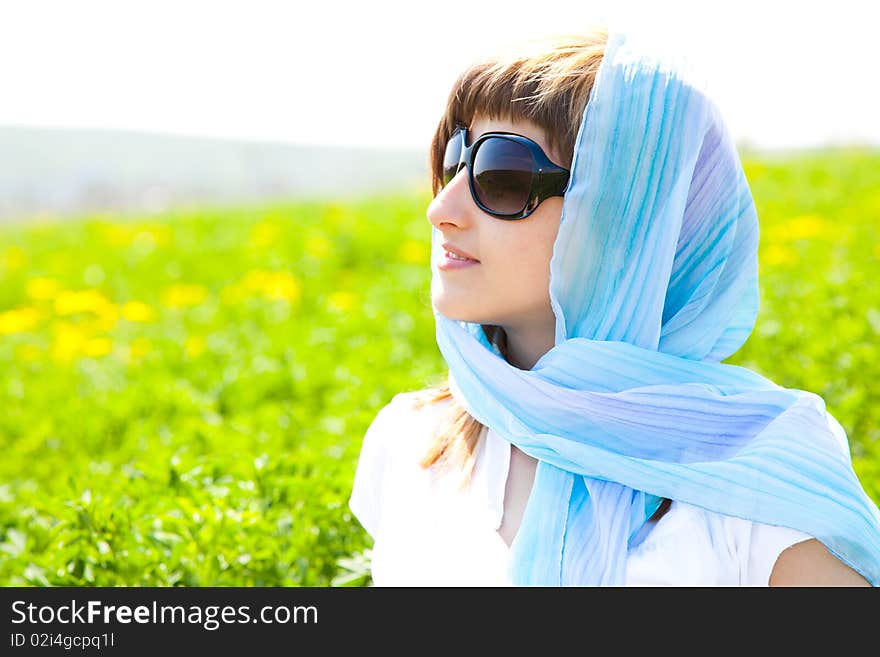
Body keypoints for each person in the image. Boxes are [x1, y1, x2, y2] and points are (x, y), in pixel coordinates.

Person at [348, 27, 880, 586]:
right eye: (456, 159)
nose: (441, 207)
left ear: (622, 222)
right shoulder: (410, 441)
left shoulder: (767, 479)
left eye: (500, 176)